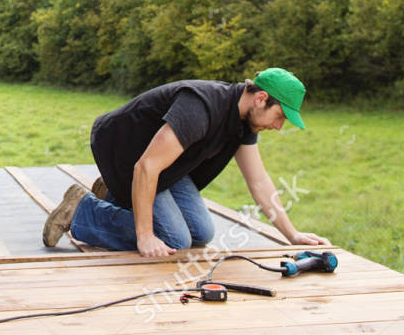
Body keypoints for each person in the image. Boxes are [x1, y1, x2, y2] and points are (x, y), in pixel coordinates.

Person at [43, 68, 330, 257]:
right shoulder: (202, 107)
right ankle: (82, 210)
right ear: (261, 99)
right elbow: (146, 167)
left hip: (166, 164)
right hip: (127, 152)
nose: (279, 127)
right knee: (175, 240)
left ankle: (117, 196)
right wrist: (144, 236)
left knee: (201, 233)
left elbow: (258, 182)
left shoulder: (242, 124)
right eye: (280, 117)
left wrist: (292, 235)